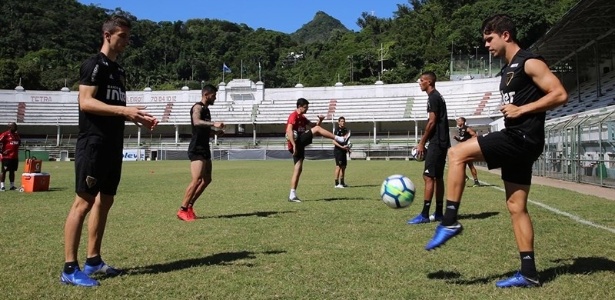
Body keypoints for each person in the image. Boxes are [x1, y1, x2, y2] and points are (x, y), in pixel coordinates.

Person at [424, 14, 568, 288]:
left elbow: (560, 94)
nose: (487, 45)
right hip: (523, 141)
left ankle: (451, 220)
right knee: (516, 207)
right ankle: (529, 273)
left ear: (505, 35)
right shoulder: (507, 69)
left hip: (521, 137)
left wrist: (521, 109)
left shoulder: (530, 61)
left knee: (457, 154)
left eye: (489, 39)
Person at [60, 15, 158, 287]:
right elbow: (86, 103)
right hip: (94, 143)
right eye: (122, 36)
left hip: (113, 145)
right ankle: (69, 267)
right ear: (107, 35)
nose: (126, 41)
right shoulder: (94, 65)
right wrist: (125, 110)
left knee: (106, 201)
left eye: (128, 36)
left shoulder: (118, 72)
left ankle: (93, 261)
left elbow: (113, 108)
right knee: (83, 203)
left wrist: (136, 117)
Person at [286, 98, 350, 202]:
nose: (307, 109)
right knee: (317, 130)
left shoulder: (303, 118)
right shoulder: (294, 115)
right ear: (300, 107)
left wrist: (320, 120)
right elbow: (289, 130)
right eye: (306, 107)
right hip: (296, 143)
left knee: (298, 169)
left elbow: (315, 127)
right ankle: (340, 138)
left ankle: (292, 195)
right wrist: (293, 145)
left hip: (299, 144)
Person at [407, 71, 450, 224]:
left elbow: (432, 122)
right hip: (442, 141)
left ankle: (425, 214)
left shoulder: (433, 97)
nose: (420, 82)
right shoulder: (437, 96)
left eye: (422, 80)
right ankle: (438, 213)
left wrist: (421, 142)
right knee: (437, 177)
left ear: (429, 82)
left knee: (429, 176)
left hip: (437, 142)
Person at [177, 84, 224, 221]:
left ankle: (190, 205)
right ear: (206, 95)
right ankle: (182, 209)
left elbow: (204, 130)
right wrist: (213, 124)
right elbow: (196, 122)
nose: (215, 98)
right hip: (196, 148)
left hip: (204, 148)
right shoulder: (197, 107)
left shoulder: (206, 110)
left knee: (207, 179)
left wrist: (216, 133)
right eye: (213, 95)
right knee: (196, 179)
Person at [453, 117, 481, 187]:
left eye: (459, 121)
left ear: (462, 122)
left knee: (469, 165)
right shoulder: (460, 129)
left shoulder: (467, 128)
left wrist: (469, 143)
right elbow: (462, 140)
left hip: (467, 149)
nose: (457, 122)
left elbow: (475, 135)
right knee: (461, 164)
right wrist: (456, 138)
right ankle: (466, 178)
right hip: (463, 149)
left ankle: (475, 181)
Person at [0, 122, 21, 191]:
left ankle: (12, 186)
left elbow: (19, 143)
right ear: (10, 127)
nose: (16, 128)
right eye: (14, 126)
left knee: (12, 171)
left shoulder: (16, 135)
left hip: (15, 157)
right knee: (4, 171)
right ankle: (2, 186)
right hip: (6, 157)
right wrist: (1, 152)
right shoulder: (5, 134)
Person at [333, 116, 351, 188]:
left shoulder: (346, 130)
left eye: (344, 121)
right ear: (338, 122)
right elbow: (333, 141)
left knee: (343, 167)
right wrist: (341, 147)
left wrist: (348, 148)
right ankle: (336, 184)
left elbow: (346, 141)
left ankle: (342, 182)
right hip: (338, 151)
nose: (343, 122)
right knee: (338, 166)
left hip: (343, 151)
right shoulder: (337, 130)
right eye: (341, 121)